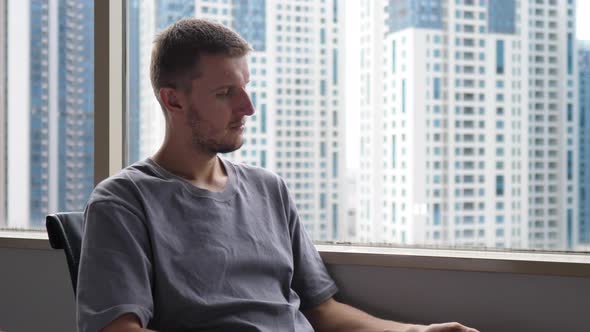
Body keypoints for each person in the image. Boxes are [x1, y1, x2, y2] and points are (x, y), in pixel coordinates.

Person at [77, 18, 479, 332]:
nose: (248, 108)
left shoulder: (269, 189)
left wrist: (417, 330)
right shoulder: (123, 201)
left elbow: (322, 311)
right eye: (225, 94)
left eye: (245, 88)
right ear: (173, 100)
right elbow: (116, 329)